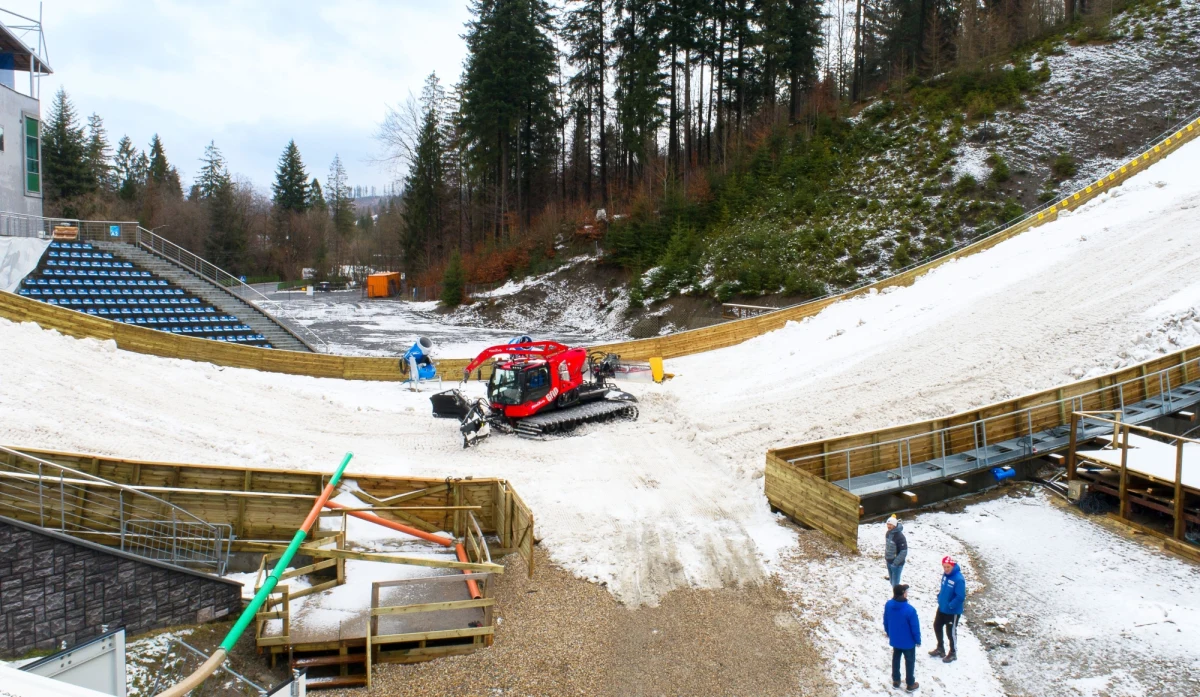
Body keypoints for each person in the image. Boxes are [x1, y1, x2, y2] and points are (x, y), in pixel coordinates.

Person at [883, 583, 921, 692]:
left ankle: (896, 680)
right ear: (903, 594)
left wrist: (889, 633)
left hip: (895, 639)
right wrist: (917, 640)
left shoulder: (889, 605)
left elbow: (886, 620)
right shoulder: (910, 610)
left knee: (896, 658)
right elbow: (915, 627)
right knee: (909, 661)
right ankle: (910, 683)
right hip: (908, 642)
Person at [930, 555, 966, 663]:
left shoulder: (959, 579)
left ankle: (953, 652)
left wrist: (951, 605)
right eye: (944, 567)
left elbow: (960, 596)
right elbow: (943, 588)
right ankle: (940, 648)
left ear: (952, 566)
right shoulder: (945, 575)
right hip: (942, 607)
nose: (946, 569)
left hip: (952, 611)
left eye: (948, 567)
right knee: (937, 625)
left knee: (951, 632)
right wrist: (939, 597)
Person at [885, 515, 908, 587]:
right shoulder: (888, 533)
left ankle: (897, 597)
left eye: (890, 524)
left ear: (894, 525)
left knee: (895, 585)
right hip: (889, 561)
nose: (888, 526)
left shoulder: (900, 537)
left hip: (896, 564)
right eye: (888, 524)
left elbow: (903, 552)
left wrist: (895, 563)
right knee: (892, 582)